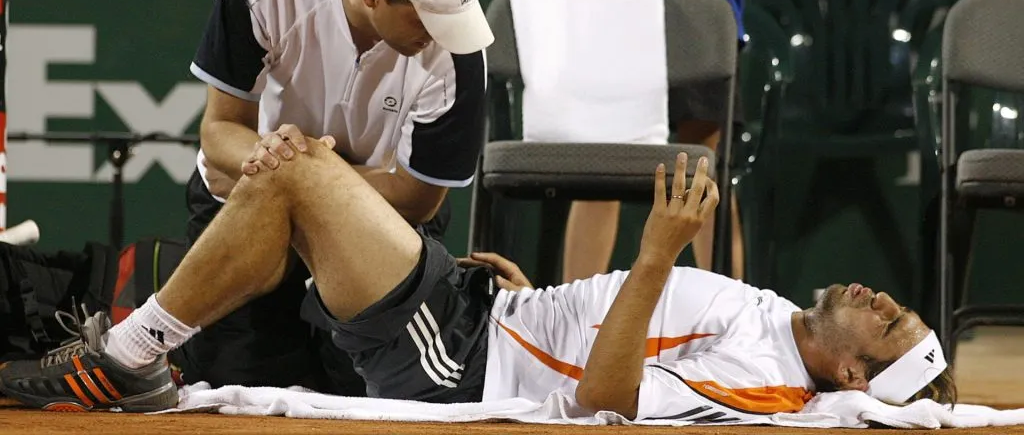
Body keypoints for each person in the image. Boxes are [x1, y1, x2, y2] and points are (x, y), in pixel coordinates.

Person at [0, 145, 955, 419]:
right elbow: (615, 339)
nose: (878, 297)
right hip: (487, 316)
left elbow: (603, 408)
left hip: (457, 359)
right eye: (891, 300)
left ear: (857, 381)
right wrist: (539, 299)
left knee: (296, 170)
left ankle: (129, 354)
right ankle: (135, 344)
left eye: (888, 323)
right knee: (295, 176)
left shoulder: (766, 383)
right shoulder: (782, 318)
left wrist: (661, 248)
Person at [173, 0, 491, 393]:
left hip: (381, 225)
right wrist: (284, 174)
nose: (439, 38)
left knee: (364, 398)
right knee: (236, 393)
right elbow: (219, 133)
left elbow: (416, 197)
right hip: (242, 205)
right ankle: (130, 350)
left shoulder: (460, 52)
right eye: (427, 19)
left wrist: (304, 175)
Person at [559, 0, 779, 285]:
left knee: (705, 165)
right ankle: (572, 319)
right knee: (599, 161)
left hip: (703, 2)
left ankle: (729, 321)